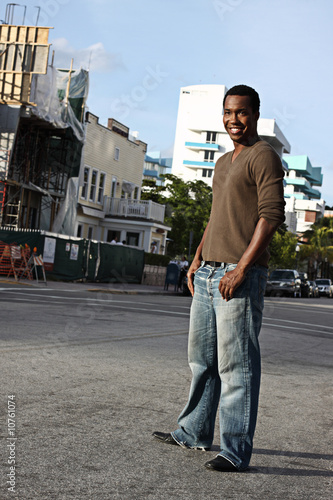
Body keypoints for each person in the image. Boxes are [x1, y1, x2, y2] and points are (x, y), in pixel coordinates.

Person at [153, 85, 285, 472]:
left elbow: (271, 215)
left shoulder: (265, 157)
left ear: (255, 114)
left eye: (241, 112)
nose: (233, 119)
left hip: (238, 276)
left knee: (237, 366)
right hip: (209, 271)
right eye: (228, 112)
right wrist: (196, 260)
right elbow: (216, 215)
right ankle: (193, 432)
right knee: (202, 360)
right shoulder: (223, 161)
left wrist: (241, 268)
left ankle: (235, 450)